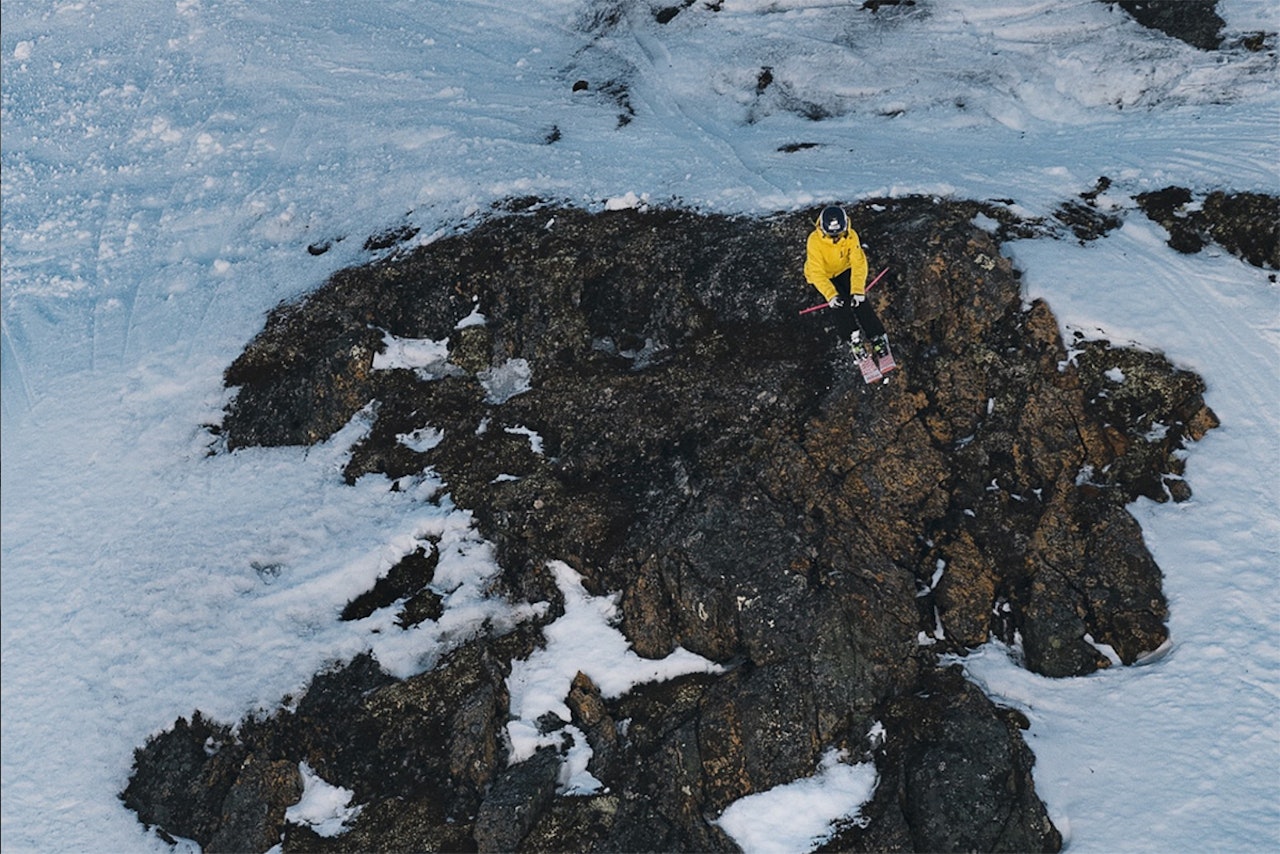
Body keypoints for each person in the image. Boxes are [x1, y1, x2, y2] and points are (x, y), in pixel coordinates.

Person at [804, 205, 887, 356]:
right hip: (826, 275)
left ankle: (877, 336)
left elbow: (858, 263)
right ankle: (853, 338)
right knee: (840, 305)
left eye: (839, 233)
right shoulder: (814, 241)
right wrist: (830, 295)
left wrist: (857, 290)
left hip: (844, 268)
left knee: (859, 301)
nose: (836, 238)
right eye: (831, 235)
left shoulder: (851, 235)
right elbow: (816, 272)